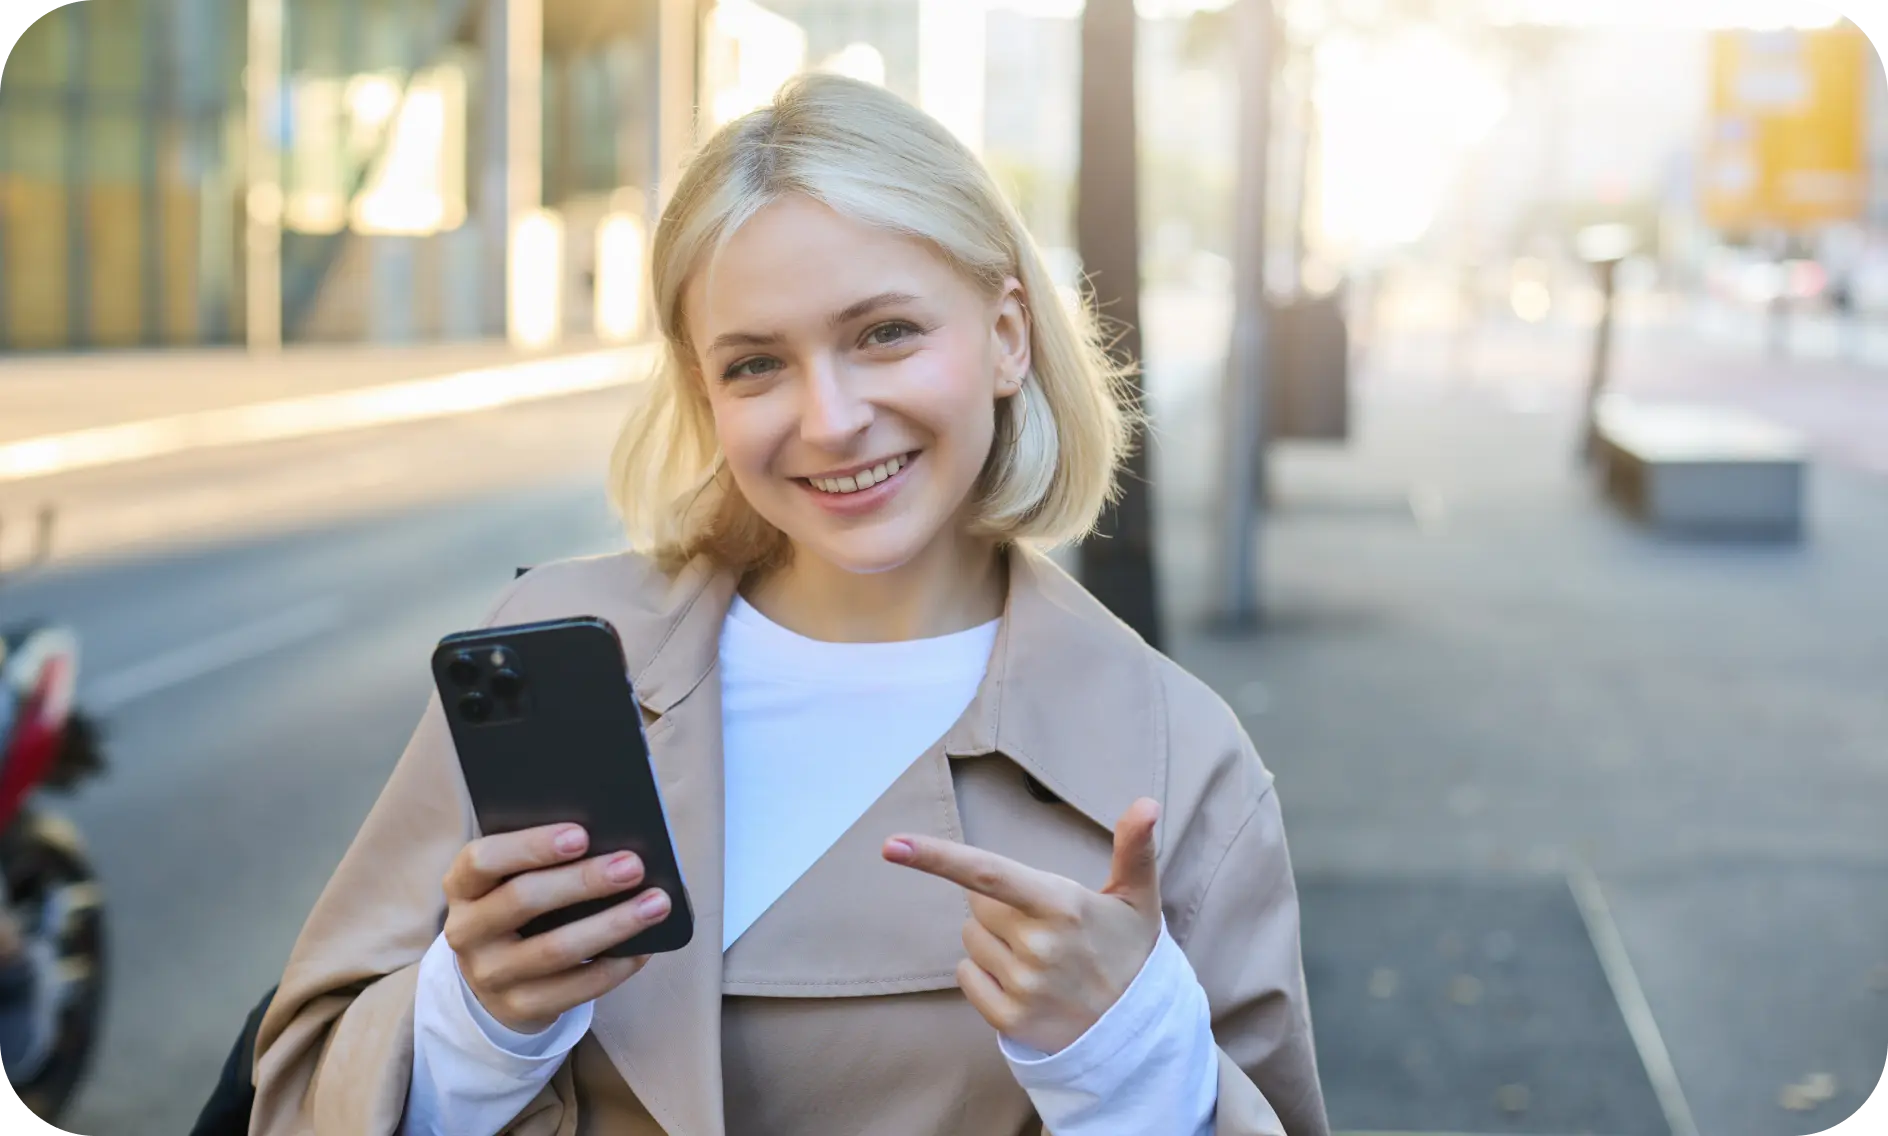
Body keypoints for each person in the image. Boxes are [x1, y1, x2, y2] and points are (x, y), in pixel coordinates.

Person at [251, 73, 1328, 1136]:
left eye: (886, 332)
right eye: (757, 362)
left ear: (1007, 335)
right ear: (704, 391)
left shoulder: (1174, 753)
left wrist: (1133, 1062)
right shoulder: (549, 659)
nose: (831, 417)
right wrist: (470, 1022)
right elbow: (296, 1095)